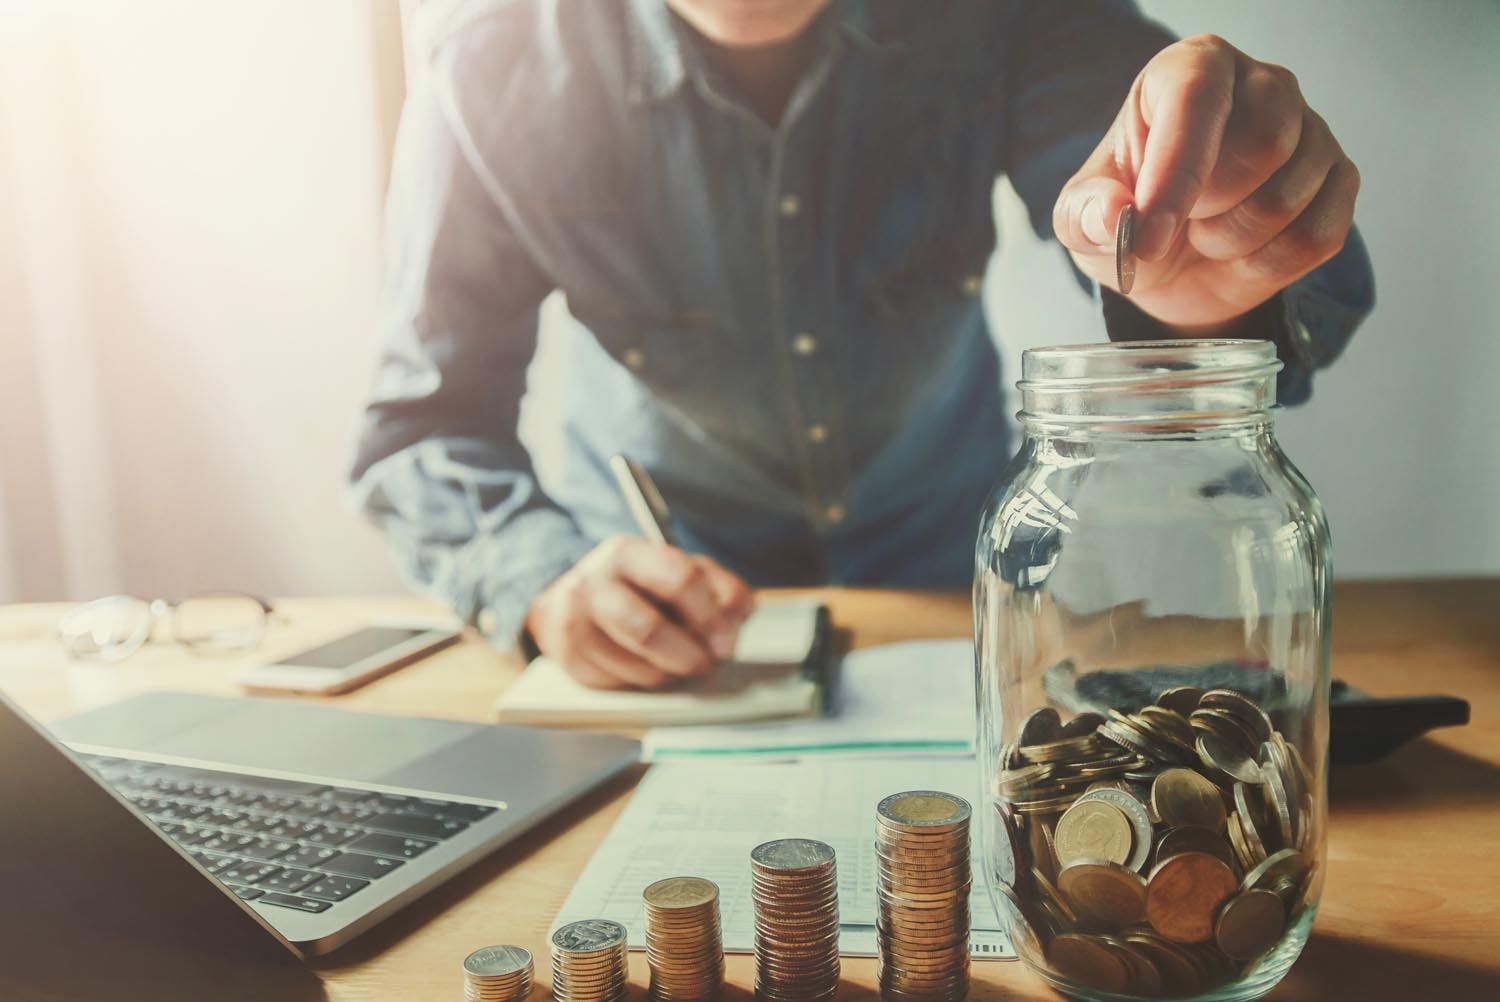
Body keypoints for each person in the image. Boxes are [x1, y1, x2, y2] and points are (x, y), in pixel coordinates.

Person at [350, 0, 1372, 690]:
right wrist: (543, 582)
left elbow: (1186, 244)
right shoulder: (487, 72)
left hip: (964, 596)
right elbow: (422, 430)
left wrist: (1208, 277)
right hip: (655, 622)